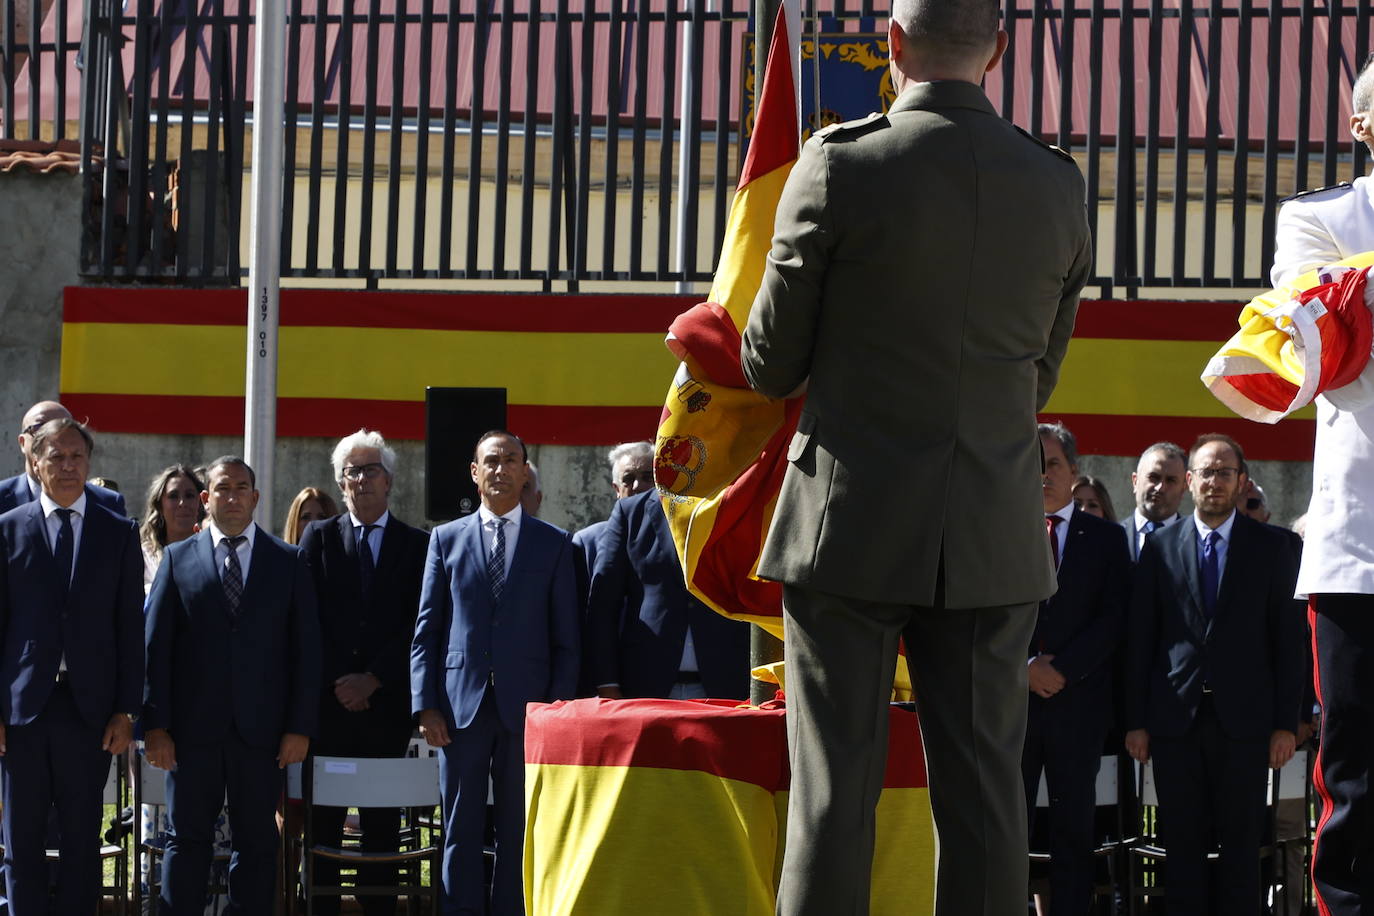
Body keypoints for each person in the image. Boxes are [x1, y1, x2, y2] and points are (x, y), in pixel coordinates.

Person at [737, 0, 1093, 909]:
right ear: (1000, 52)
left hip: (849, 523)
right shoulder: (1054, 182)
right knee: (984, 794)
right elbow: (1036, 379)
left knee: (834, 795)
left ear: (891, 45)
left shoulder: (840, 162)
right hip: (990, 523)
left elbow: (770, 363)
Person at [1269, 58, 1374, 913]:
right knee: (1357, 780)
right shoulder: (1319, 218)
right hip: (1358, 551)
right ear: (1362, 125)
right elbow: (1320, 337)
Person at [1124, 434, 1304, 916]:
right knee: (1181, 847)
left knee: (1242, 849)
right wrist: (1136, 720)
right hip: (1174, 723)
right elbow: (1142, 639)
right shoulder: (1159, 548)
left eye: (1225, 472)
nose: (1215, 481)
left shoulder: (1272, 548)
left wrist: (1286, 723)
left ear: (1242, 481)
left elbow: (1289, 642)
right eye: (1206, 472)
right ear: (1190, 481)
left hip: (1245, 726)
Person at [411, 430, 579, 915]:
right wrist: (426, 705)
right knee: (459, 828)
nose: (501, 469)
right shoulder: (445, 539)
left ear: (526, 471)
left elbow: (567, 640)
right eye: (492, 461)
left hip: (529, 711)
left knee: (518, 828)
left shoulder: (554, 544)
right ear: (474, 472)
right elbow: (428, 629)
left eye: (511, 460)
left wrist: (555, 709)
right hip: (459, 709)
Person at [144, 456, 321, 914]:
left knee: (257, 844)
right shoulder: (179, 559)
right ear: (206, 499)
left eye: (242, 488)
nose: (233, 496)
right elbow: (155, 649)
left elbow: (306, 653)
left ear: (256, 498)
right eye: (223, 489)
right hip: (191, 734)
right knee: (185, 843)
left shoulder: (288, 561)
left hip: (262, 735)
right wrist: (156, 726)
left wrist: (299, 727)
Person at [0, 417, 144, 914]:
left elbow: (130, 628)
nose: (67, 466)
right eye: (56, 456)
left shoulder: (119, 532)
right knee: (22, 847)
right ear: (36, 463)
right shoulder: (7, 529)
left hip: (92, 714)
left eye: (76, 456)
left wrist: (127, 710)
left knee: (84, 845)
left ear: (89, 463)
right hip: (24, 713)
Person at [299, 430, 428, 916]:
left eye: (370, 470)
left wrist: (373, 678)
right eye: (351, 471)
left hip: (386, 709)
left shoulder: (418, 544)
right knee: (325, 832)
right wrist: (342, 681)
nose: (361, 479)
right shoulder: (319, 538)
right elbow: (307, 621)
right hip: (329, 711)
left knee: (379, 834)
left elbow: (420, 621)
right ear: (342, 482)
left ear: (389, 480)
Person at [1023, 424, 1130, 916]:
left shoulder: (1106, 539)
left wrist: (1061, 670)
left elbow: (1113, 620)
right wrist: (1024, 668)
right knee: (1010, 827)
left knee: (1073, 829)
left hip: (1078, 707)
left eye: (1053, 465)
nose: (1043, 475)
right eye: (1034, 463)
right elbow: (984, 617)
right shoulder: (999, 527)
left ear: (1072, 471)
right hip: (1014, 706)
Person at [586, 487, 750, 700]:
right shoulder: (630, 512)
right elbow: (603, 604)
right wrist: (607, 683)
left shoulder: (737, 501)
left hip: (727, 686)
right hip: (646, 687)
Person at [0, 400, 126, 516]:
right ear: (22, 443)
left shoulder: (108, 502)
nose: (54, 435)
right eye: (40, 427)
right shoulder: (3, 499)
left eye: (64, 427)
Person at [571, 441, 655, 601]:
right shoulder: (587, 543)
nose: (638, 486)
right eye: (628, 479)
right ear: (616, 489)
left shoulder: (677, 538)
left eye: (647, 477)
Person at [138, 465, 205, 593]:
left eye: (189, 496)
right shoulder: (142, 557)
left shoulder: (215, 552)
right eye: (173, 496)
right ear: (159, 505)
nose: (182, 503)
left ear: (201, 502)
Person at [1121, 442, 1188, 562]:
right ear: (1135, 481)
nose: (1160, 488)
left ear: (1184, 488)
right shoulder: (1112, 537)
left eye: (1171, 480)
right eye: (1153, 477)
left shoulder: (1194, 542)